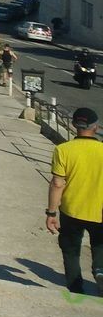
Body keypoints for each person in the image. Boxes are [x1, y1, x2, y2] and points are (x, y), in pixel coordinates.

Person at [46, 107, 103, 295]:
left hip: (71, 210)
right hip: (100, 211)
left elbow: (57, 183)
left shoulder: (63, 150)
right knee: (100, 245)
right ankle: (100, 271)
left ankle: (76, 287)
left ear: (73, 125)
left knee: (70, 249)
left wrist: (51, 213)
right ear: (96, 127)